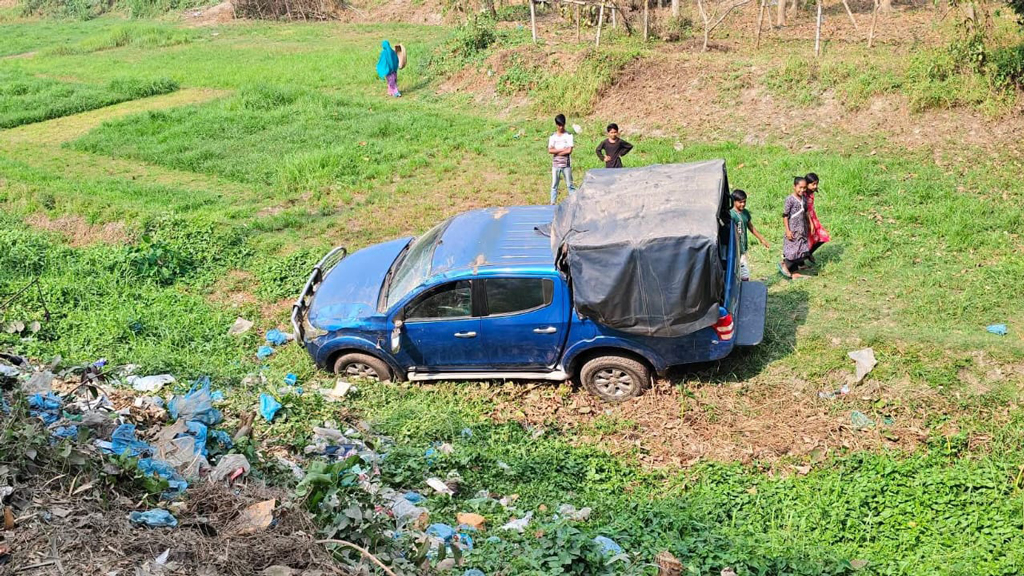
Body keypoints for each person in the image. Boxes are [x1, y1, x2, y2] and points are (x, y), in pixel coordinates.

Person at [730, 190, 770, 281]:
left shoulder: (745, 213)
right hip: (734, 249)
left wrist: (761, 239)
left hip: (743, 247)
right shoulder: (731, 215)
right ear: (734, 201)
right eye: (740, 202)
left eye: (744, 202)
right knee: (736, 271)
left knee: (744, 272)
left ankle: (744, 288)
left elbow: (750, 227)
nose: (743, 204)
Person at [779, 176, 811, 279]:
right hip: (793, 229)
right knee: (792, 251)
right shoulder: (790, 199)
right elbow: (785, 215)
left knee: (801, 249)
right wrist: (788, 230)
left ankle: (795, 272)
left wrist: (811, 224)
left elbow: (806, 212)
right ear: (794, 186)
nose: (802, 190)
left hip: (802, 229)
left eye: (804, 188)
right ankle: (785, 265)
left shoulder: (804, 199)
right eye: (800, 187)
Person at [548, 114, 575, 204]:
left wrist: (557, 151)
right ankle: (552, 203)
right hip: (555, 165)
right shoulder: (553, 136)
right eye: (559, 125)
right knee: (554, 185)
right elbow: (550, 150)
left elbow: (569, 150)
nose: (561, 127)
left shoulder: (568, 135)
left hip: (566, 164)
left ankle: (573, 202)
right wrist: (563, 150)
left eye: (562, 125)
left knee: (570, 185)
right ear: (556, 125)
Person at [804, 172, 830, 264]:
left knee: (823, 236)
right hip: (807, 220)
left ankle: (808, 254)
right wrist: (810, 223)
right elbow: (805, 210)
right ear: (806, 184)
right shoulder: (804, 195)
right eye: (813, 184)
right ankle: (800, 261)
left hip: (813, 218)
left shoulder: (811, 192)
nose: (815, 186)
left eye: (816, 184)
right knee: (807, 241)